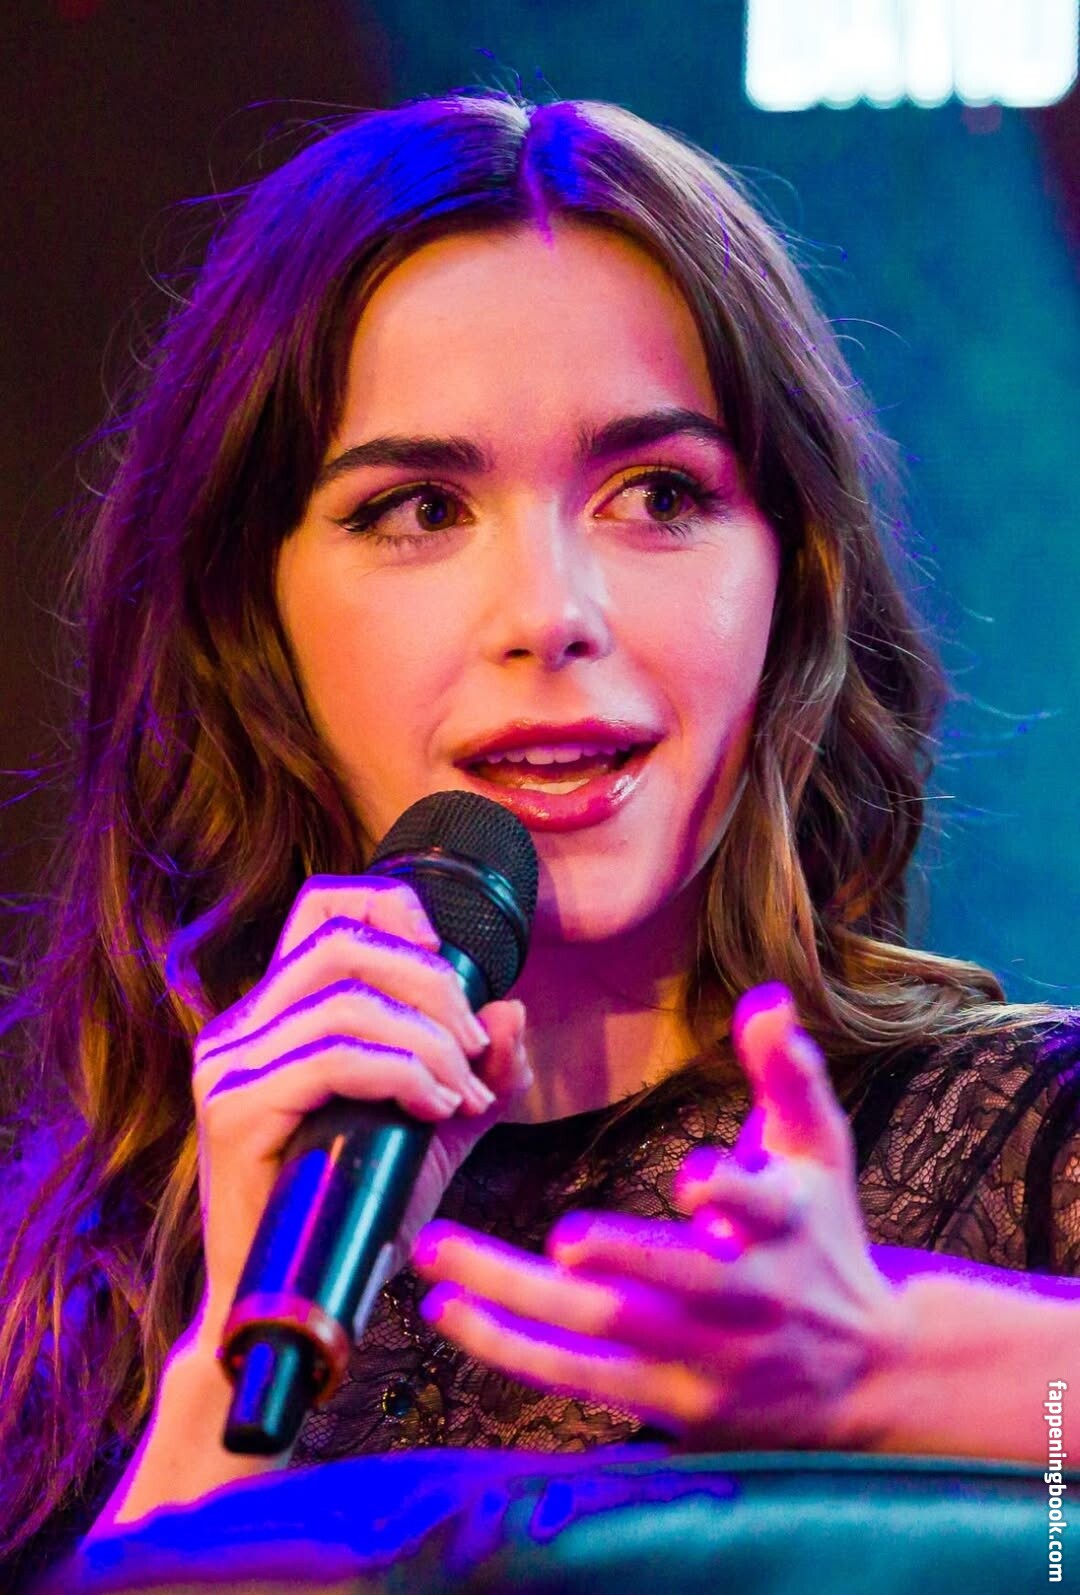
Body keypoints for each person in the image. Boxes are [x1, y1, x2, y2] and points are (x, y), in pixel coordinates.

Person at [1, 86, 1078, 1589]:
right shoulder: (68, 1280)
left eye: (658, 494)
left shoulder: (1027, 1142)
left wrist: (899, 1366)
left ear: (793, 580)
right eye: (418, 509)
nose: (549, 615)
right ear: (255, 618)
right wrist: (230, 1374)